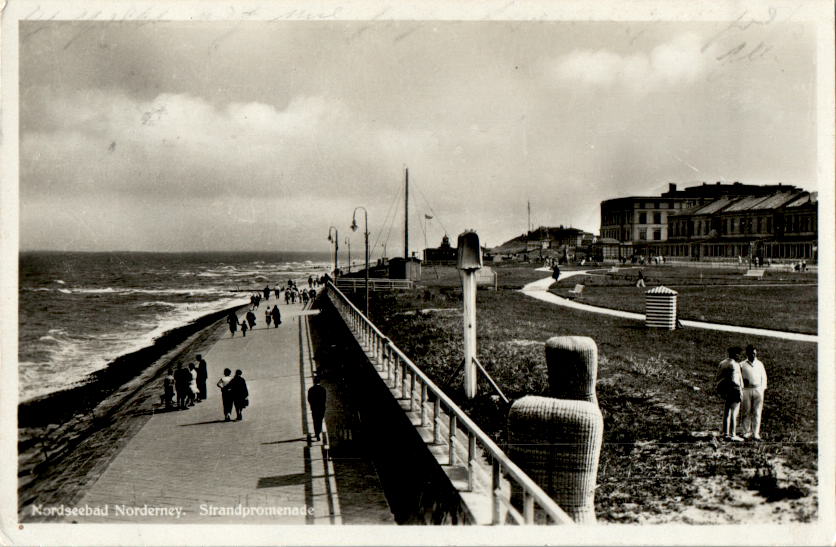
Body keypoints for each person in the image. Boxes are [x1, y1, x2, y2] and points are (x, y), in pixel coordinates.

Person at [716, 347, 744, 441]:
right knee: (734, 412)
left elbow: (718, 377)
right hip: (735, 389)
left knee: (727, 412)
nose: (739, 356)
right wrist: (740, 390)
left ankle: (725, 433)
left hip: (726, 389)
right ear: (734, 354)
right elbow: (735, 380)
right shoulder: (734, 364)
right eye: (738, 354)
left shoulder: (723, 363)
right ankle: (732, 434)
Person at [740, 344, 767, 440]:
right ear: (747, 353)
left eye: (755, 353)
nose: (753, 355)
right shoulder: (742, 364)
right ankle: (746, 432)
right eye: (751, 353)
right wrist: (742, 386)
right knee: (746, 411)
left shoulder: (760, 364)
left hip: (758, 390)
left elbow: (764, 377)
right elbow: (738, 378)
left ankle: (756, 433)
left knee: (757, 412)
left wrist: (762, 389)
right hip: (746, 390)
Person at [307, 375, 326, 441]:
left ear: (314, 382)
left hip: (314, 408)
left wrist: (312, 405)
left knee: (315, 421)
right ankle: (319, 431)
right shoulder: (323, 389)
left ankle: (317, 434)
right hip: (321, 408)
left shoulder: (311, 390)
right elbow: (324, 399)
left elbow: (309, 399)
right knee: (320, 420)